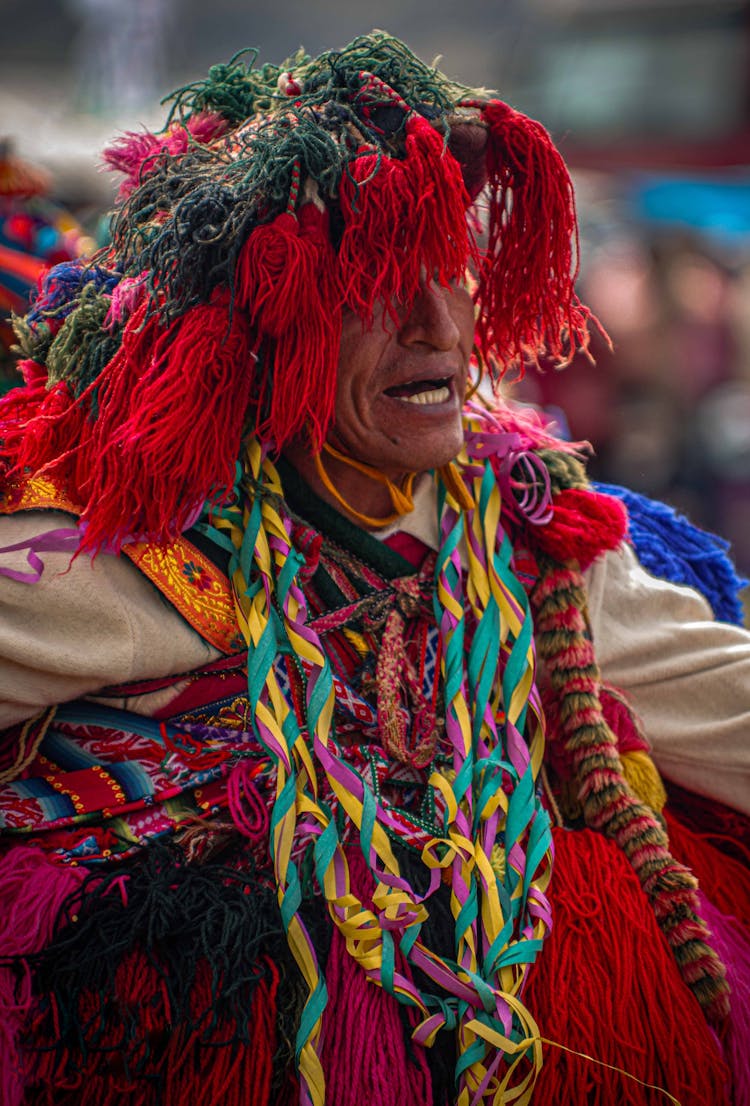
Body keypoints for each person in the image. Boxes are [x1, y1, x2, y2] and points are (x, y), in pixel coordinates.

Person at [0, 31, 748, 1106]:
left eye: (449, 269)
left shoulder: (536, 544)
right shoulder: (121, 542)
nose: (440, 326)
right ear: (256, 322)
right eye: (376, 287)